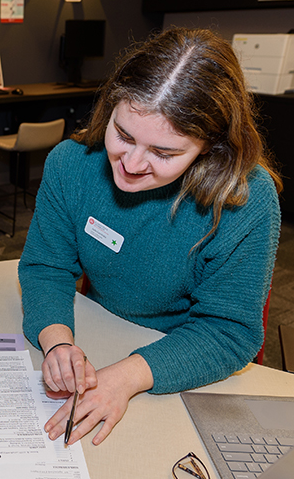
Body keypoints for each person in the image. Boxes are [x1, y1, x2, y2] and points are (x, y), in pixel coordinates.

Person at [19, 27, 281, 446]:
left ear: (210, 147)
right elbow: (46, 266)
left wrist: (127, 377)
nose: (133, 164)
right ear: (111, 107)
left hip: (181, 361)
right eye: (123, 135)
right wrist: (56, 341)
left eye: (164, 152)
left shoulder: (245, 199)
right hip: (100, 333)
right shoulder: (71, 164)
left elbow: (229, 332)